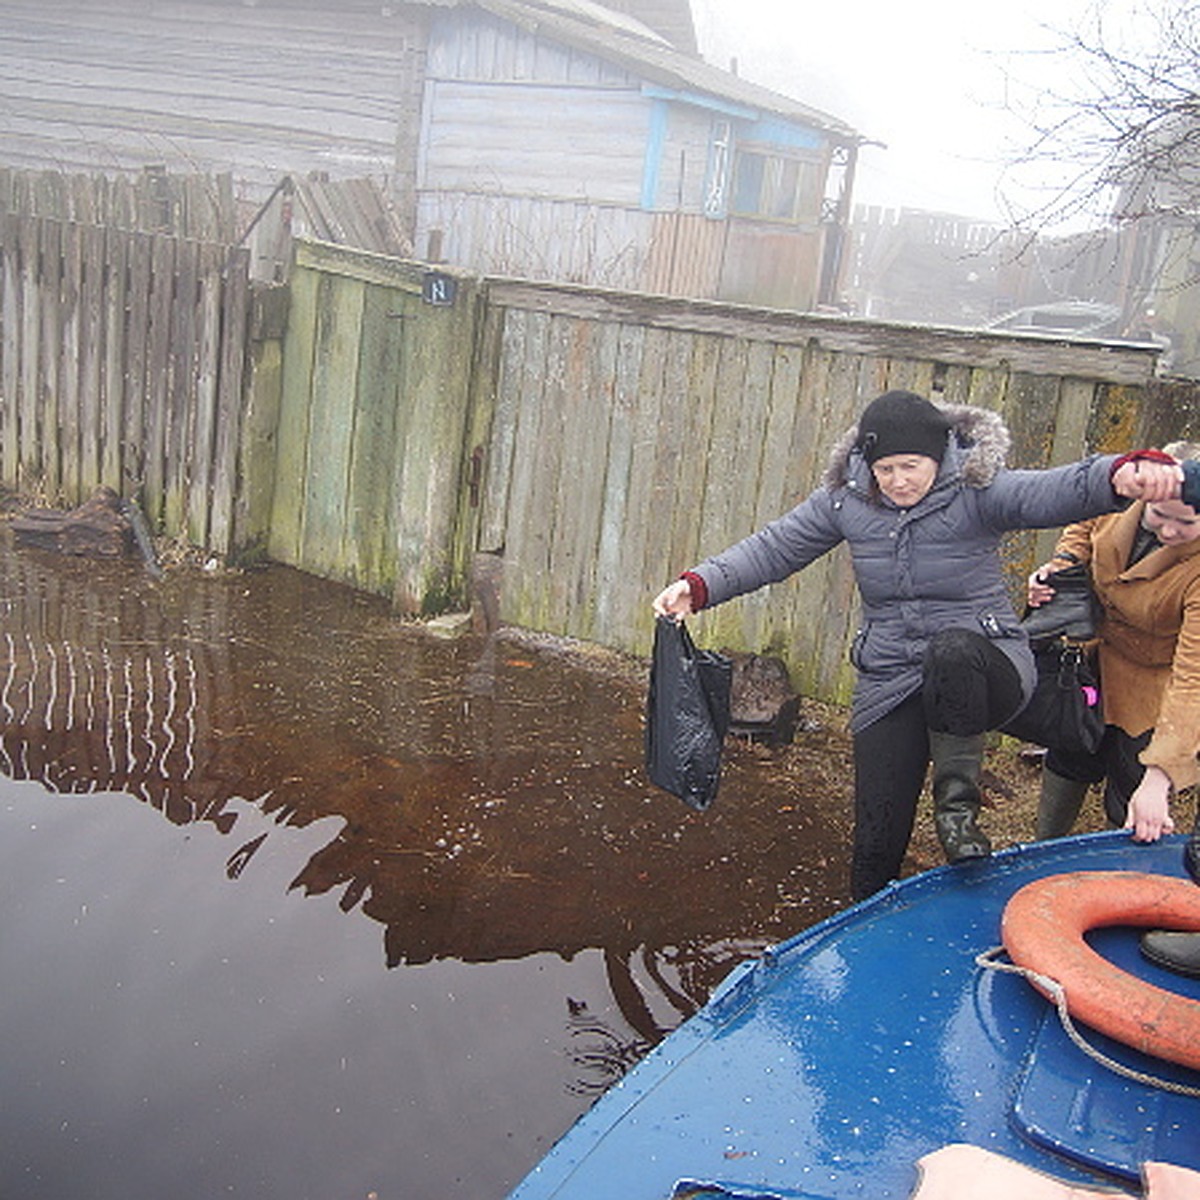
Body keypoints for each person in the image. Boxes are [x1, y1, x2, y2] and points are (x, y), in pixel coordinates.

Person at [652, 389, 1183, 902]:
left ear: (938, 457)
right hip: (892, 673)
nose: (898, 481)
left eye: (911, 466)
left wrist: (1121, 472)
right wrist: (699, 586)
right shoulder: (847, 501)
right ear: (867, 463)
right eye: (886, 469)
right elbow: (775, 547)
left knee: (950, 650)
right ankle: (866, 921)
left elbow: (1053, 490)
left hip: (985, 664)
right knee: (876, 831)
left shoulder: (977, 491)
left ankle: (956, 814)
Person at [1026, 444, 1200, 976]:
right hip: (1094, 659)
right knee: (1072, 748)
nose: (1167, 530)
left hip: (1157, 680)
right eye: (1158, 517)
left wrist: (1161, 776)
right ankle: (1039, 852)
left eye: (1184, 526)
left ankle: (1120, 893)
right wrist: (1058, 571)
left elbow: (1195, 678)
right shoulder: (1117, 503)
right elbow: (1080, 533)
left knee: (1130, 780)